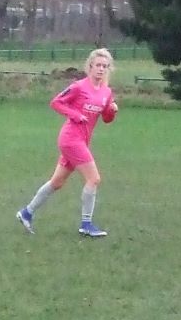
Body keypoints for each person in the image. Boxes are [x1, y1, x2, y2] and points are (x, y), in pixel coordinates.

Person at [16, 47, 118, 237]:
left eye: (105, 66)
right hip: (71, 139)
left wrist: (112, 110)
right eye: (98, 65)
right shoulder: (79, 86)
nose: (101, 69)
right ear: (90, 66)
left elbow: (106, 118)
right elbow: (56, 102)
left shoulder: (106, 92)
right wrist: (76, 114)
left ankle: (26, 212)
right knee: (94, 179)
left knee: (57, 182)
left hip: (82, 140)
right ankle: (86, 224)